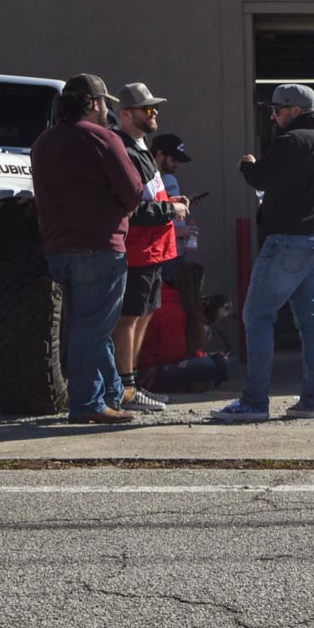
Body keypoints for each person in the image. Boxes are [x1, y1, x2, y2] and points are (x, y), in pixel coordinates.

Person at [213, 83, 314, 423]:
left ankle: (254, 401)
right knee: (310, 321)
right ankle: (311, 400)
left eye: (277, 109)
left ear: (296, 111)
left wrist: (248, 164)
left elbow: (262, 178)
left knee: (257, 316)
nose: (273, 116)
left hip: (288, 241)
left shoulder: (293, 141)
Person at [30, 74, 143, 424]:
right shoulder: (103, 138)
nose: (107, 109)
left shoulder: (43, 142)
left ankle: (111, 394)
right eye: (105, 103)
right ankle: (88, 404)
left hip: (58, 248)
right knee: (92, 330)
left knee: (88, 325)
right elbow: (134, 191)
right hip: (99, 246)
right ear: (94, 104)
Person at [109, 83, 188, 413]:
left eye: (155, 109)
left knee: (143, 315)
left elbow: (149, 196)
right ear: (126, 114)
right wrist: (172, 210)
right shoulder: (123, 150)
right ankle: (124, 388)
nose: (154, 114)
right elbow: (130, 208)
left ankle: (132, 385)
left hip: (156, 249)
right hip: (138, 250)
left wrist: (170, 202)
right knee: (128, 319)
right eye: (147, 109)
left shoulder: (141, 148)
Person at [137, 263, 230, 396]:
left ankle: (188, 384)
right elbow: (171, 355)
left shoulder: (166, 298)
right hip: (151, 372)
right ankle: (187, 384)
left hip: (153, 366)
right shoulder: (173, 310)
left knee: (214, 362)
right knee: (210, 366)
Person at [151, 132, 199, 269]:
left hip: (174, 251)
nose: (177, 164)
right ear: (160, 155)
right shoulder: (147, 180)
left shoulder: (164, 179)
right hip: (158, 255)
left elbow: (161, 208)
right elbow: (144, 215)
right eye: (174, 159)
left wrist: (183, 203)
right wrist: (177, 232)